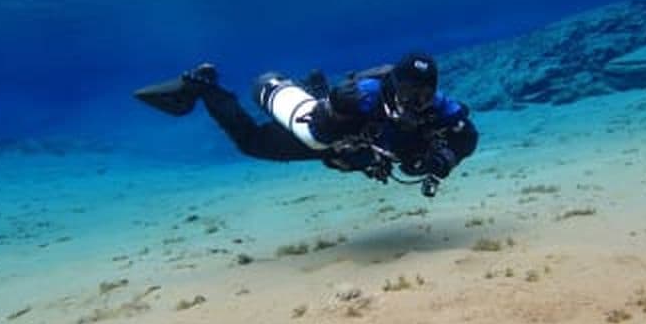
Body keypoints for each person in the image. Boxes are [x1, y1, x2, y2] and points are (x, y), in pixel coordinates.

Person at [134, 52, 478, 197]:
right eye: (406, 92)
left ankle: (314, 85)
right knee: (251, 142)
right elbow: (321, 132)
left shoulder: (438, 105)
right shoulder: (367, 94)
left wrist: (446, 158)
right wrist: (336, 109)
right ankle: (205, 87)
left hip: (366, 150)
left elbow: (468, 136)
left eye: (422, 94)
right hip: (332, 141)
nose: (413, 102)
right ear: (392, 86)